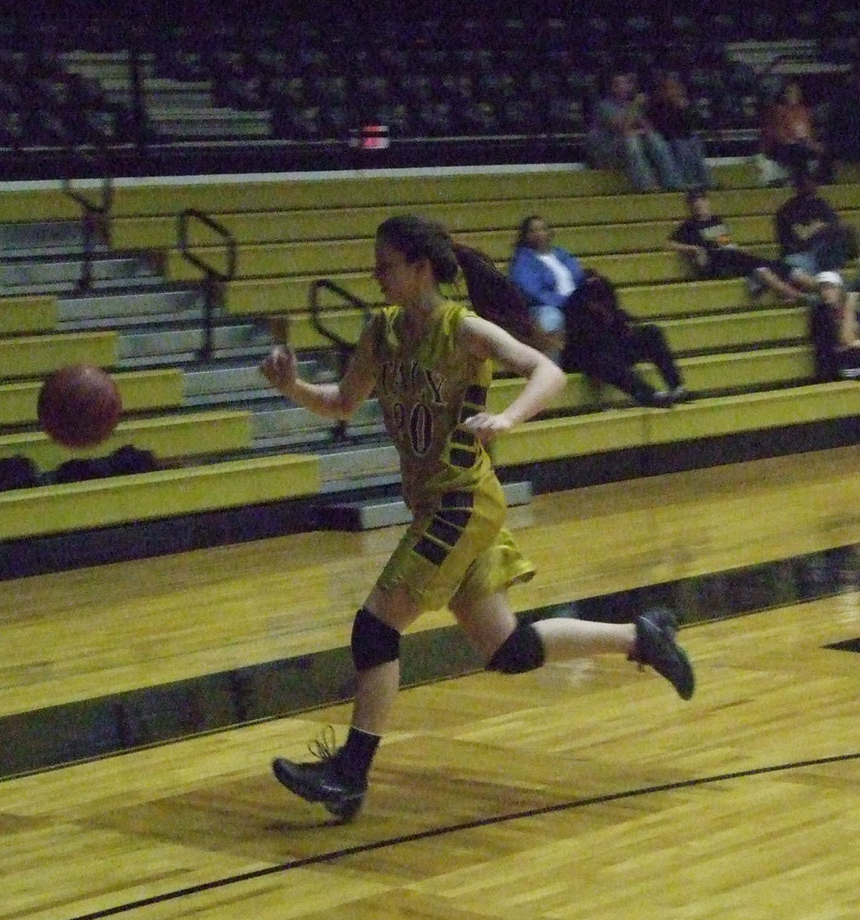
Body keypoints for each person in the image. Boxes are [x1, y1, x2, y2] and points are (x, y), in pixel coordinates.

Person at [263, 215, 695, 822]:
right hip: (440, 502)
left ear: (418, 268)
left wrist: (508, 419)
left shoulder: (462, 329)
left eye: (385, 264)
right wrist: (292, 387)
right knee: (509, 649)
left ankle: (349, 775)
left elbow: (549, 370)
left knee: (374, 628)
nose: (375, 275)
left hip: (463, 500)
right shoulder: (381, 333)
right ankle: (641, 638)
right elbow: (341, 402)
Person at [509, 215, 687, 407]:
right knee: (600, 358)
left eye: (542, 228)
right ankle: (649, 395)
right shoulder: (522, 263)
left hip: (588, 318)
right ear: (525, 236)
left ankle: (677, 387)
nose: (539, 233)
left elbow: (581, 279)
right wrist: (571, 302)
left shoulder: (562, 254)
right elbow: (533, 292)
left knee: (651, 333)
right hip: (568, 327)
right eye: (533, 230)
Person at [668, 188, 803, 301]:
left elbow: (723, 241)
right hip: (717, 263)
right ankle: (796, 294)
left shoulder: (717, 220)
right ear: (689, 206)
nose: (698, 204)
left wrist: (735, 247)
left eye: (701, 200)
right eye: (694, 202)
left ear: (707, 201)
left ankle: (797, 290)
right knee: (762, 266)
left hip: (729, 256)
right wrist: (693, 249)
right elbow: (670, 243)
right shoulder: (689, 225)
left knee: (764, 268)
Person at [587, 70, 685, 192]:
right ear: (612, 88)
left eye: (626, 84)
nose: (623, 87)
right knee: (632, 141)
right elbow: (623, 129)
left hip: (628, 148)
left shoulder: (631, 105)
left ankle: (673, 182)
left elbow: (648, 128)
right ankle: (645, 184)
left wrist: (643, 128)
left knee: (654, 138)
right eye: (618, 85)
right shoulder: (604, 106)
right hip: (608, 151)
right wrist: (634, 106)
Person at [774, 171, 857, 290]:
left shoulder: (821, 204)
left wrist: (817, 229)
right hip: (799, 256)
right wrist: (819, 228)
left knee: (843, 234)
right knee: (822, 254)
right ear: (797, 186)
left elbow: (836, 227)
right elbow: (802, 237)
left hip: (824, 252)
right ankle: (833, 288)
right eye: (806, 183)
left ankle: (834, 285)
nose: (812, 186)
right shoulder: (787, 211)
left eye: (812, 182)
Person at [645, 72, 715, 189]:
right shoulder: (656, 106)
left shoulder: (684, 105)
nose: (673, 92)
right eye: (670, 88)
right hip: (666, 140)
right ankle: (688, 182)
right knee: (680, 145)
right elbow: (662, 127)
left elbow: (692, 125)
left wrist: (684, 110)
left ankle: (707, 181)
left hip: (683, 137)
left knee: (694, 141)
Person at [760, 80, 834, 185]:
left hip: (802, 144)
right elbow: (781, 136)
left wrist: (813, 144)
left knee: (826, 150)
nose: (792, 95)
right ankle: (801, 182)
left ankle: (824, 182)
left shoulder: (803, 111)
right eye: (789, 92)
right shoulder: (778, 111)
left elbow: (808, 133)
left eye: (795, 92)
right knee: (798, 151)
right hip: (780, 147)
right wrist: (806, 143)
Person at [809, 270, 860, 380]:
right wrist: (849, 308)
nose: (826, 292)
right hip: (835, 367)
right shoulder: (820, 314)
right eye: (822, 289)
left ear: (840, 290)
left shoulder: (856, 313)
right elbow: (846, 340)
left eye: (831, 288)